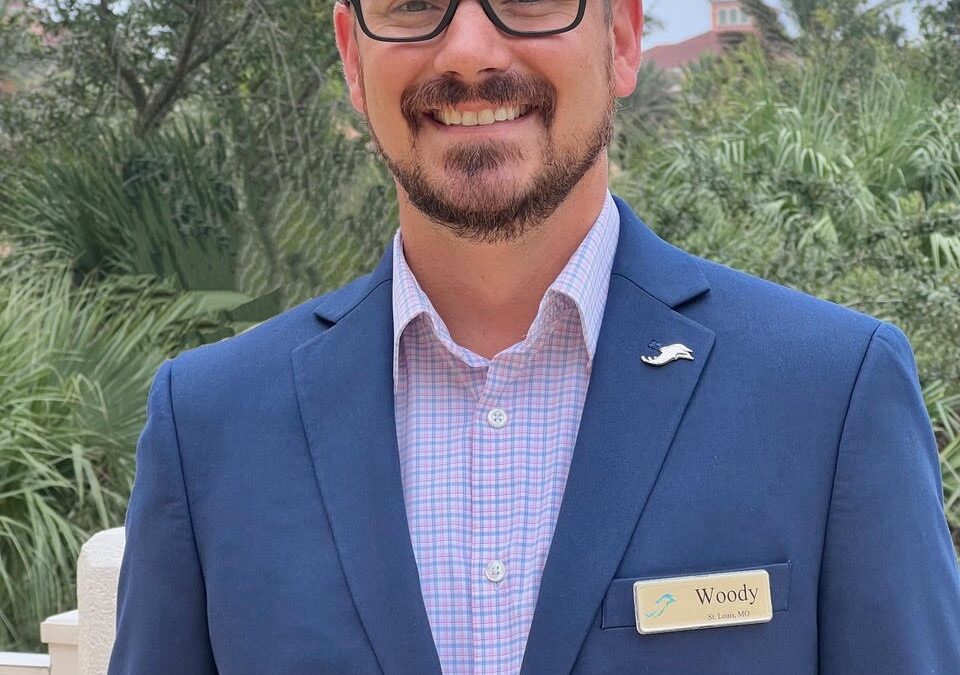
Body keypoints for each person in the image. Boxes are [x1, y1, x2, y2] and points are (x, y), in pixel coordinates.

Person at [108, 1, 960, 673]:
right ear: (352, 57)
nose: (469, 50)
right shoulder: (210, 427)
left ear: (621, 39)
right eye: (412, 4)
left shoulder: (830, 394)